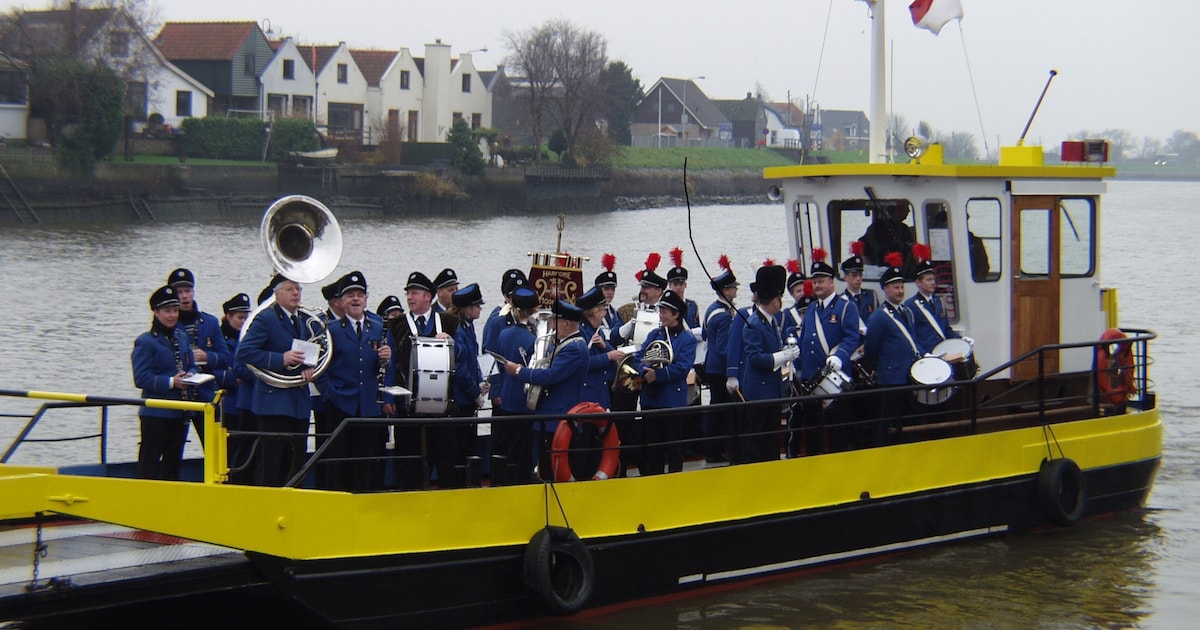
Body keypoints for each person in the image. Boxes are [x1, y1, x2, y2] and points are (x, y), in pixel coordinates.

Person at [235, 274, 320, 487]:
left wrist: (311, 368)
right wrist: (280, 359)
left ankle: (291, 506)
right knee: (271, 464)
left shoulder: (302, 319)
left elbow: (309, 352)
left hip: (298, 402)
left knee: (295, 462)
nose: (296, 293)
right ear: (277, 293)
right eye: (290, 289)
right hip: (273, 403)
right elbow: (244, 353)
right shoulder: (266, 318)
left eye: (298, 289)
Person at [383, 271, 459, 490]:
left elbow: (463, 357)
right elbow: (392, 362)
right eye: (408, 293)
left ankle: (445, 500)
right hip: (407, 405)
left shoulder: (448, 322)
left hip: (442, 404)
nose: (409, 297)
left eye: (415, 293)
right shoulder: (397, 324)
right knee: (408, 459)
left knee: (444, 459)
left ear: (429, 296)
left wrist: (451, 342)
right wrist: (389, 394)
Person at [317, 272, 391, 491]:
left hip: (369, 406)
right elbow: (319, 369)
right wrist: (329, 393)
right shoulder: (330, 331)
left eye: (359, 294)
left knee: (366, 463)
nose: (356, 299)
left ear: (366, 298)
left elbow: (385, 372)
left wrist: (385, 358)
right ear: (342, 301)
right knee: (339, 463)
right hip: (341, 404)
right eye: (350, 296)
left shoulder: (378, 328)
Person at [504, 298, 590, 480]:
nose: (551, 326)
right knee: (545, 464)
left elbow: (550, 376)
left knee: (552, 469)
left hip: (559, 416)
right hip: (550, 416)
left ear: (566, 324)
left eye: (554, 321)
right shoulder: (563, 344)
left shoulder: (574, 348)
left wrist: (519, 371)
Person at [794, 249, 861, 455]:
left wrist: (839, 357)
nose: (817, 285)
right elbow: (804, 340)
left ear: (832, 282)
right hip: (812, 378)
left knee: (837, 431)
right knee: (813, 431)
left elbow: (852, 338)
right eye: (815, 282)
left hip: (834, 378)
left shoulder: (845, 307)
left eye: (821, 281)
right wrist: (798, 368)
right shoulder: (812, 308)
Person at [131, 285, 199, 480]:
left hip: (179, 410)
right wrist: (171, 382)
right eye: (167, 311)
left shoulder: (181, 337)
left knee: (173, 462)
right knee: (149, 461)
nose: (172, 316)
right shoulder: (146, 341)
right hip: (156, 412)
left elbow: (191, 365)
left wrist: (191, 375)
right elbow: (141, 377)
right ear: (156, 312)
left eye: (175, 311)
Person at [864, 253, 927, 445]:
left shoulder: (907, 312)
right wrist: (884, 367)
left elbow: (913, 340)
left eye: (902, 287)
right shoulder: (879, 317)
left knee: (907, 419)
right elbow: (871, 349)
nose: (900, 291)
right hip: (890, 377)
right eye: (895, 287)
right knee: (886, 420)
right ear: (885, 289)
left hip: (909, 374)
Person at [167, 268, 232, 445]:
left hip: (205, 395)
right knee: (172, 449)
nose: (184, 296)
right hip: (179, 396)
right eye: (179, 292)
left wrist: (208, 357)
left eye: (188, 291)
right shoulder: (168, 324)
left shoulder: (209, 322)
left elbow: (226, 358)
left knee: (216, 447)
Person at [636, 289, 697, 475]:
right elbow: (638, 357)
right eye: (660, 311)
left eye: (664, 311)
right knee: (652, 448)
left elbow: (682, 368)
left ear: (676, 314)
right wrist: (644, 371)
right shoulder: (654, 334)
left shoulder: (687, 339)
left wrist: (658, 375)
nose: (660, 315)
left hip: (671, 402)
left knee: (673, 448)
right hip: (650, 401)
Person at [738, 264, 795, 464]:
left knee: (770, 438)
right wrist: (783, 357)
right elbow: (755, 357)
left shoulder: (769, 321)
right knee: (757, 438)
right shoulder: (754, 324)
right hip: (759, 391)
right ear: (774, 300)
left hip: (771, 390)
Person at [490, 286, 540, 484]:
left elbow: (500, 368)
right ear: (533, 311)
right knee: (523, 452)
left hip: (507, 400)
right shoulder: (533, 340)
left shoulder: (503, 334)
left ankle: (504, 482)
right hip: (525, 403)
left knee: (509, 448)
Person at [447, 283, 489, 487]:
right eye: (477, 306)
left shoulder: (468, 326)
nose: (480, 309)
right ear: (468, 308)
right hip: (460, 399)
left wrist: (481, 381)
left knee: (469, 443)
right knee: (460, 445)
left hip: (469, 396)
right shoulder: (456, 328)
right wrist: (475, 394)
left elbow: (473, 358)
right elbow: (459, 368)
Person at [212, 292, 254, 484]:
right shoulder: (219, 340)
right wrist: (233, 378)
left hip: (246, 403)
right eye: (239, 318)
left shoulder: (250, 338)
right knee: (229, 452)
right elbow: (210, 372)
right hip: (227, 404)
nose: (243, 321)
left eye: (246, 317)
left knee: (246, 448)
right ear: (228, 317)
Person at [701, 255, 738, 464]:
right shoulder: (724, 315)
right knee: (722, 412)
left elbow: (706, 336)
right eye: (733, 288)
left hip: (711, 366)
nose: (736, 291)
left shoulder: (712, 309)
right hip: (720, 369)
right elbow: (725, 348)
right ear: (725, 290)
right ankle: (715, 451)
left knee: (717, 409)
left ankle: (713, 450)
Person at [904, 243, 973, 352]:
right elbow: (910, 336)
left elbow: (946, 329)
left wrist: (961, 340)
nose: (933, 283)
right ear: (918, 283)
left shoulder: (938, 301)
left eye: (933, 279)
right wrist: (923, 354)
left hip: (942, 351)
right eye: (928, 280)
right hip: (928, 354)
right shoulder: (910, 306)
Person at [576, 286, 625, 410]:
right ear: (595, 312)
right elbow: (579, 363)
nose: (604, 314)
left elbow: (612, 357)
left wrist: (605, 346)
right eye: (603, 310)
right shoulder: (580, 332)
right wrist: (607, 356)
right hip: (586, 395)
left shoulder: (598, 331)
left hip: (601, 394)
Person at [860, 202, 916, 267]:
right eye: (905, 208)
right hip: (880, 267)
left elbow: (912, 248)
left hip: (904, 270)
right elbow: (863, 247)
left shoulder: (905, 229)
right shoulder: (876, 228)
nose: (908, 211)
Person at [841, 241, 878, 323]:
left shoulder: (871, 295)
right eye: (854, 275)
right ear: (845, 277)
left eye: (860, 275)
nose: (858, 279)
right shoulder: (841, 300)